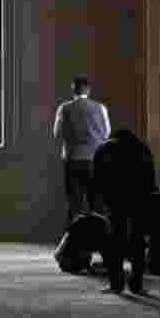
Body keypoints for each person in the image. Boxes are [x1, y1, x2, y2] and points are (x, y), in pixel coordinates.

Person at [92, 128, 156, 294]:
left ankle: (116, 284)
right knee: (138, 241)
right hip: (139, 199)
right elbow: (150, 178)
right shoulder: (142, 148)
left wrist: (101, 199)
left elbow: (97, 177)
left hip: (115, 200)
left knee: (115, 241)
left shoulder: (105, 148)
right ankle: (137, 285)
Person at [53, 76, 111, 227]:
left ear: (73, 90)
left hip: (72, 159)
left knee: (74, 202)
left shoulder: (64, 108)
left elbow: (57, 133)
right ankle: (98, 238)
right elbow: (106, 134)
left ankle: (74, 240)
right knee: (96, 203)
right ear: (88, 90)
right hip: (94, 159)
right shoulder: (100, 108)